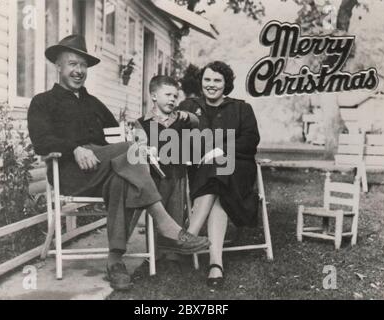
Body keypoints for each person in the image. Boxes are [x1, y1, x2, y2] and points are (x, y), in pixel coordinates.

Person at [27, 35, 210, 291]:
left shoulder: (93, 103)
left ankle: (115, 263)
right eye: (72, 64)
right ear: (58, 65)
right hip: (70, 173)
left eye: (83, 65)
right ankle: (167, 224)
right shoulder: (42, 102)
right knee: (131, 154)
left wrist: (137, 132)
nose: (79, 71)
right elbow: (41, 140)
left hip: (104, 171)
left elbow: (120, 133)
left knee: (122, 179)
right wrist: (75, 148)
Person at [178, 61, 261, 289]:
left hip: (237, 171)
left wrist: (222, 149)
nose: (211, 85)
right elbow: (175, 137)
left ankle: (190, 233)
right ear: (201, 82)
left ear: (226, 84)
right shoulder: (188, 106)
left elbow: (251, 140)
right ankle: (216, 264)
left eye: (217, 80)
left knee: (220, 166)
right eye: (207, 79)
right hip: (203, 173)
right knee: (217, 186)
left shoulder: (242, 108)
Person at [134, 75, 199, 262]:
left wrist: (189, 116)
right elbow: (139, 147)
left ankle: (173, 254)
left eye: (175, 96)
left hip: (178, 173)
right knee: (157, 213)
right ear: (154, 96)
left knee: (177, 210)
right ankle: (154, 254)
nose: (172, 99)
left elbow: (197, 122)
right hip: (154, 176)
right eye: (168, 94)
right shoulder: (142, 122)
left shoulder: (180, 119)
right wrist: (146, 149)